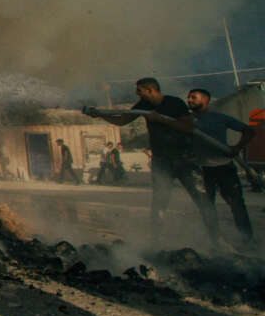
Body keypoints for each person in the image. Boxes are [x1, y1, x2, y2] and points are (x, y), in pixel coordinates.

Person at [86, 78, 216, 246]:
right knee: (159, 203)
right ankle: (155, 241)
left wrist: (161, 119)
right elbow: (123, 120)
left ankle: (216, 240)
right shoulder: (144, 105)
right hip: (162, 160)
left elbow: (188, 127)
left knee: (202, 200)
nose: (137, 94)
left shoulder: (173, 103)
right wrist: (101, 115)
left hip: (184, 159)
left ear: (150, 90)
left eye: (139, 91)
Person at [187, 88, 256, 249]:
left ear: (205, 100)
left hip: (225, 168)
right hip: (202, 171)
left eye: (193, 97)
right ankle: (215, 241)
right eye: (189, 97)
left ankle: (247, 240)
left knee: (237, 205)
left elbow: (249, 130)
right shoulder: (187, 121)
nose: (189, 100)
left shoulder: (218, 118)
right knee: (206, 208)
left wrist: (237, 147)